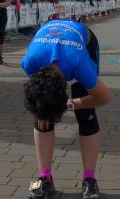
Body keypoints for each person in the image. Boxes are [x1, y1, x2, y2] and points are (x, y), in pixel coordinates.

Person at [22, 18, 111, 199]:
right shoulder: (30, 62)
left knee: (86, 114)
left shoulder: (80, 64)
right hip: (48, 42)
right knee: (42, 117)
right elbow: (39, 97)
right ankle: (44, 178)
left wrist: (73, 103)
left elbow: (103, 98)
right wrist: (44, 113)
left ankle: (89, 179)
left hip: (83, 42)